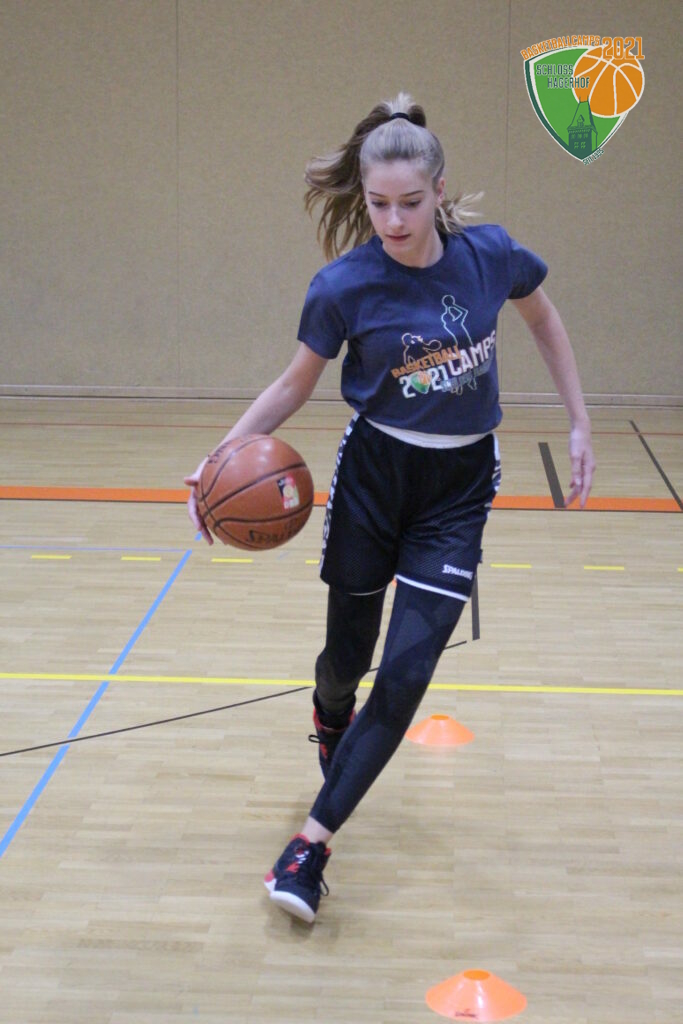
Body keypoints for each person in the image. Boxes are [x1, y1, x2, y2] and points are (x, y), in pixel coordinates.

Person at [185, 92, 596, 924]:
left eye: (410, 202)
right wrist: (217, 460)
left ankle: (308, 849)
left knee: (406, 674)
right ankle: (329, 713)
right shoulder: (343, 285)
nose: (394, 221)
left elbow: (545, 320)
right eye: (378, 205)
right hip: (373, 479)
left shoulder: (491, 256)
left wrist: (579, 419)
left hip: (458, 490)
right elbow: (293, 384)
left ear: (440, 190)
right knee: (346, 660)